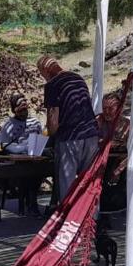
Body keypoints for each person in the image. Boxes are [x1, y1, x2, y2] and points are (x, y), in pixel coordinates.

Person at [38, 55, 99, 205]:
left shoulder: (53, 85)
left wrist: (50, 136)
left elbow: (53, 120)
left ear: (45, 70)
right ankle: (90, 219)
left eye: (41, 73)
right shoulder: (78, 78)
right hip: (91, 134)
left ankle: (68, 222)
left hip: (70, 137)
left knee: (67, 185)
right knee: (89, 181)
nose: (43, 77)